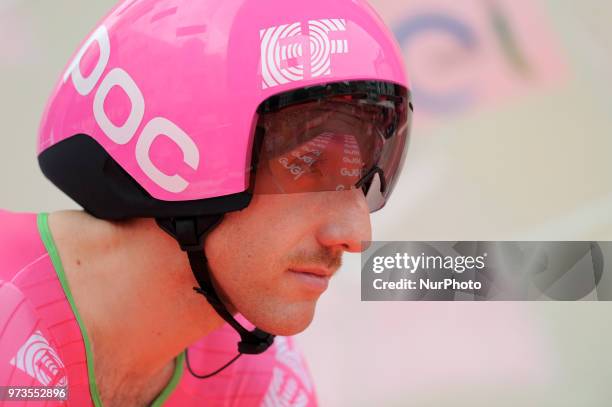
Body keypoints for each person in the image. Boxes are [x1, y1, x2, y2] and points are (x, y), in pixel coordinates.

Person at [0, 0, 412, 405]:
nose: (357, 236)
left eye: (361, 183)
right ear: (176, 152)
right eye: (309, 168)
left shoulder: (260, 378)